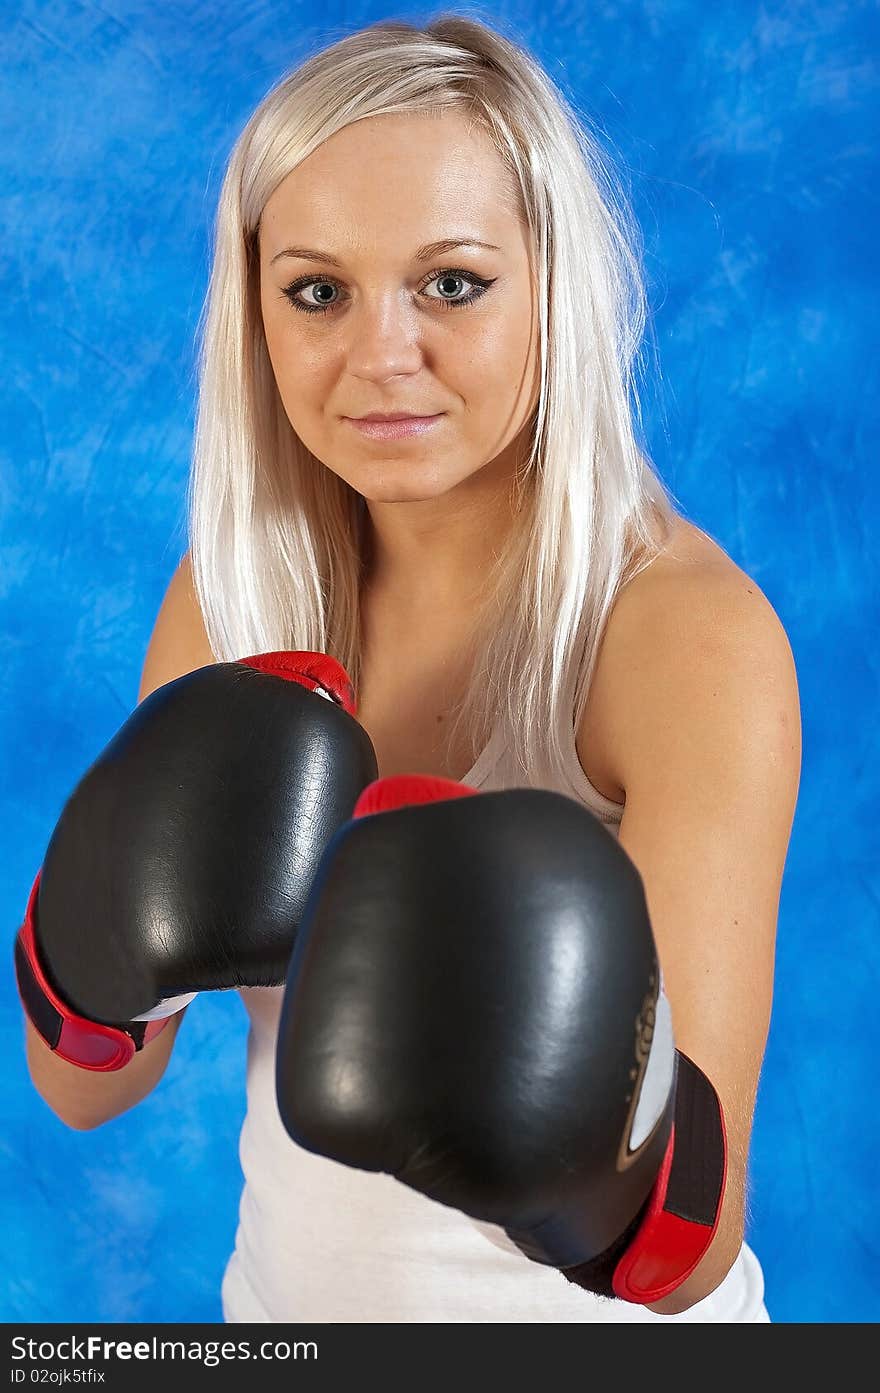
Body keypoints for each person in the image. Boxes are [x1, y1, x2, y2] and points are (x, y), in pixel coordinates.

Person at [20, 14, 801, 1322]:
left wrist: (545, 1105)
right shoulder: (233, 598)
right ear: (256, 310)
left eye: (452, 282)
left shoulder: (678, 632)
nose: (383, 355)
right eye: (318, 290)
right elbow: (84, 1086)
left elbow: (688, 1250)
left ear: (551, 283)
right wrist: (90, 944)